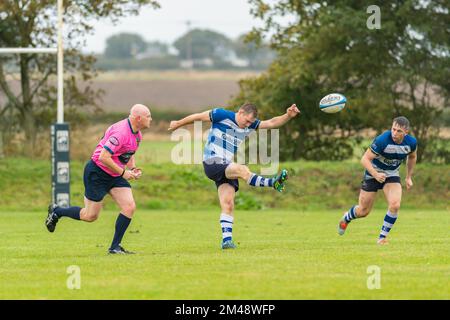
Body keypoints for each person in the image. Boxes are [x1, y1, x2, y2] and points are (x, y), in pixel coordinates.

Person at [169, 102, 300, 249]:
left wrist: (288, 115)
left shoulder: (249, 124)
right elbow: (198, 117)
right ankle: (273, 183)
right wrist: (178, 124)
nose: (248, 124)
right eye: (247, 120)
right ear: (241, 112)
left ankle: (227, 241)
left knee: (228, 204)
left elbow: (271, 122)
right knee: (242, 170)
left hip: (226, 165)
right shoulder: (221, 115)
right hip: (212, 162)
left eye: (251, 122)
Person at [45, 104, 152, 254]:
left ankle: (115, 247)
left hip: (114, 174)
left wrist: (133, 169)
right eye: (148, 116)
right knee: (90, 216)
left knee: (129, 207)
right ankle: (57, 211)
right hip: (97, 172)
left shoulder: (137, 134)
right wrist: (123, 173)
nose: (151, 119)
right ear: (139, 118)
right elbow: (103, 157)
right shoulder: (121, 132)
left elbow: (129, 152)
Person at [337, 116, 418, 244]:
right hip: (372, 173)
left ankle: (382, 238)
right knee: (363, 211)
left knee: (395, 204)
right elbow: (364, 159)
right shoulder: (382, 140)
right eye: (393, 129)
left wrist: (408, 177)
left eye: (399, 131)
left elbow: (412, 157)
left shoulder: (411, 143)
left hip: (391, 175)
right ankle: (346, 217)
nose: (394, 133)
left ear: (406, 133)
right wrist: (375, 174)